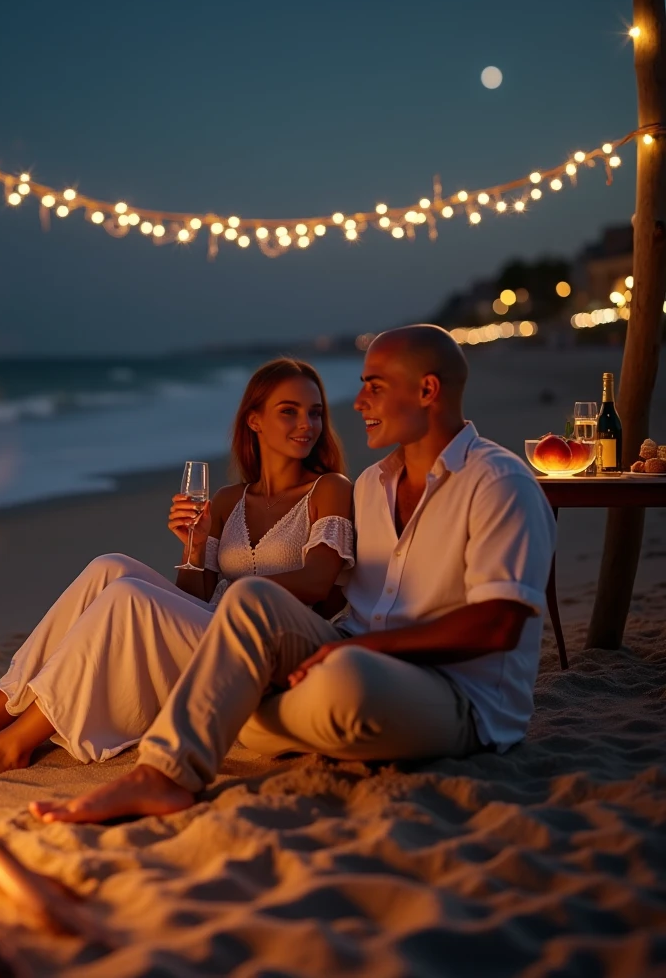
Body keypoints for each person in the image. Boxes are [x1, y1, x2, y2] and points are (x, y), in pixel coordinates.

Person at [31, 324, 557, 824]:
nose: (358, 404)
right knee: (249, 599)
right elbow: (329, 600)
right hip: (350, 658)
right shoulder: (372, 487)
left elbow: (497, 626)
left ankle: (182, 760)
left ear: (427, 390)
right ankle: (167, 764)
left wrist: (357, 651)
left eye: (374, 387)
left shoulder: (498, 482)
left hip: (457, 699)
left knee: (336, 685)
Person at [0, 358, 354, 781]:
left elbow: (318, 584)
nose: (307, 424)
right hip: (212, 630)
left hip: (263, 644)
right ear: (254, 421)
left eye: (315, 412)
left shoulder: (329, 488)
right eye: (290, 411)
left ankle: (10, 747)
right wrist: (195, 545)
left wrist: (238, 600)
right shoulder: (227, 500)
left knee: (128, 597)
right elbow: (194, 596)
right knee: (108, 567)